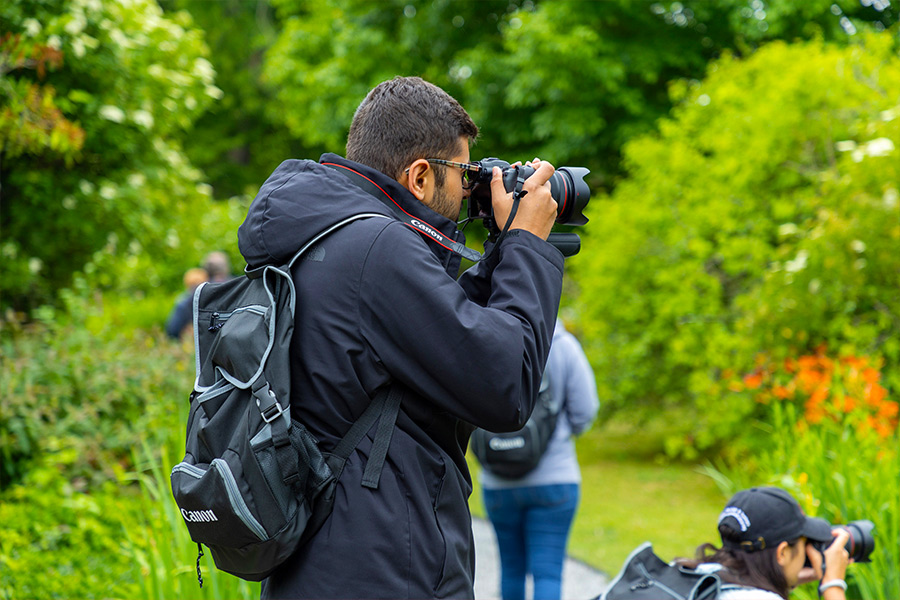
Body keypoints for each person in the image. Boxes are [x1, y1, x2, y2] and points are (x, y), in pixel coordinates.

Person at [237, 76, 564, 599]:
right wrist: (527, 244)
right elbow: (505, 385)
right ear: (418, 176)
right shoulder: (378, 248)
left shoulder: (320, 238)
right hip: (387, 568)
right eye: (463, 174)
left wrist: (502, 248)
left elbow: (447, 345)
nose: (466, 191)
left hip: (320, 565)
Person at [480, 319, 599, 600]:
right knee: (548, 573)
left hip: (498, 482)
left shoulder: (485, 338)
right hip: (555, 480)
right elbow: (585, 411)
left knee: (510, 571)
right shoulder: (563, 345)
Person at [677, 487, 852, 600]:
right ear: (782, 553)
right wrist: (832, 585)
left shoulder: (689, 575)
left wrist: (780, 579)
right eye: (803, 544)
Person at [164, 251, 231, 340]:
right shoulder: (238, 288)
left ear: (205, 270)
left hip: (200, 345)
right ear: (226, 268)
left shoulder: (195, 294)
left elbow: (173, 330)